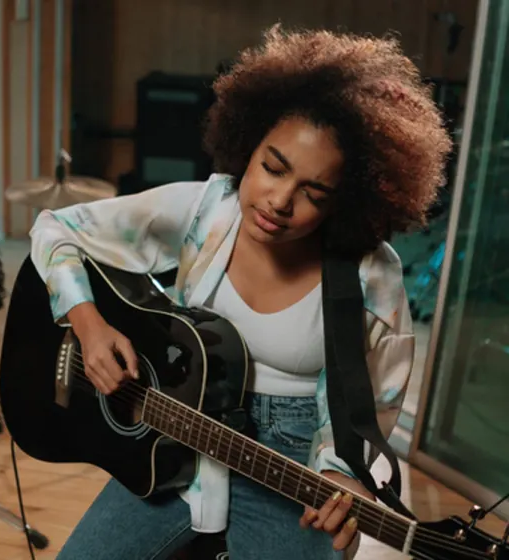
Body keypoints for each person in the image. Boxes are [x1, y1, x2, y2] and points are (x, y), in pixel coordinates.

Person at [28, 25, 452, 560]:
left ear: (345, 203)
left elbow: (371, 410)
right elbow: (54, 228)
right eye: (273, 167)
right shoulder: (207, 209)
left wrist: (345, 477)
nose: (279, 201)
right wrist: (88, 325)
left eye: (313, 193)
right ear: (248, 146)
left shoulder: (370, 278)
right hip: (169, 445)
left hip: (290, 479)